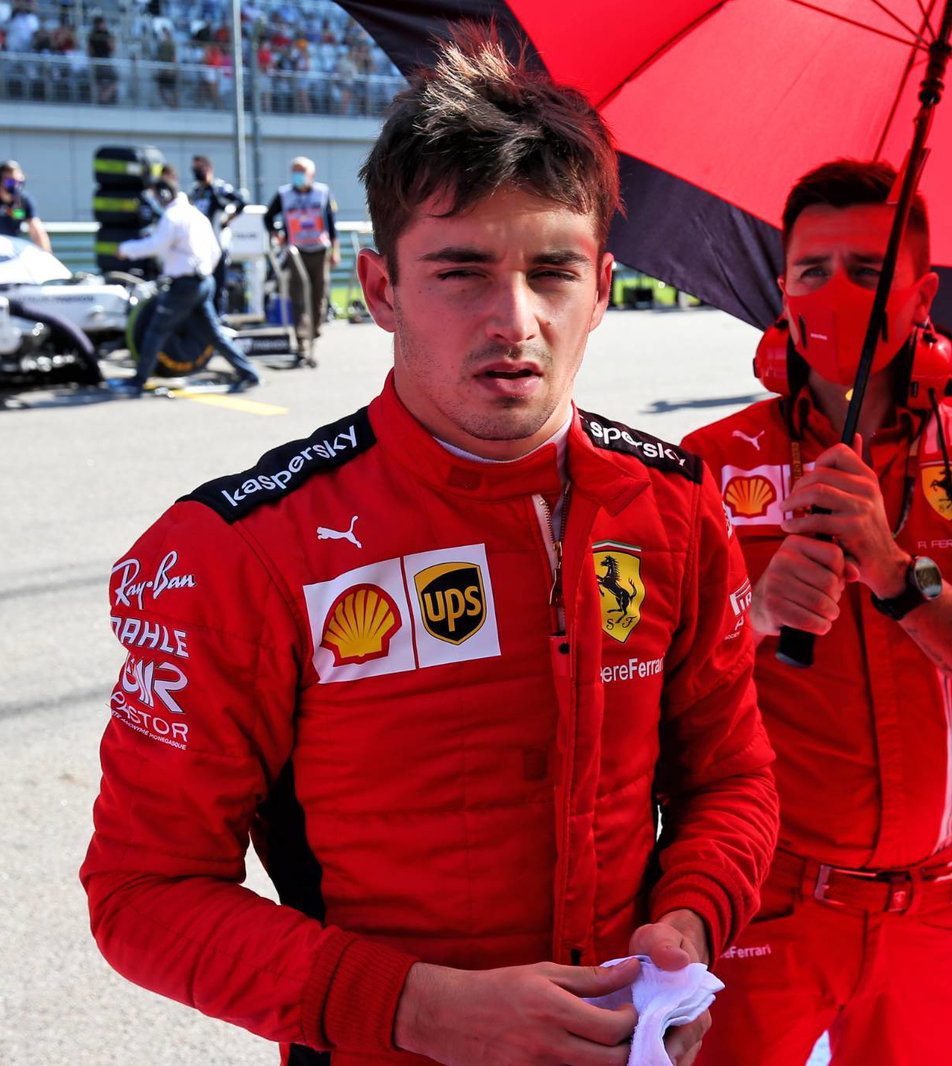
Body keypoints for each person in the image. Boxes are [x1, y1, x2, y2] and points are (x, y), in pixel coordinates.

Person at [80, 29, 778, 1066]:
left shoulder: (675, 507)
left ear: (603, 287)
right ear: (380, 288)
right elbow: (141, 891)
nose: (514, 318)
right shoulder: (243, 548)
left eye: (553, 271)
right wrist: (407, 1006)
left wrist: (689, 928)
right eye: (461, 271)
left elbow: (732, 781)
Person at [682, 159, 952, 1066]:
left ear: (921, 293)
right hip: (765, 898)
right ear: (782, 289)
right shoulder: (702, 463)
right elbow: (640, 690)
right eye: (812, 271)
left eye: (868, 271)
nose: (836, 293)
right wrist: (755, 610)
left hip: (937, 901)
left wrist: (898, 576)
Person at [106, 169, 262, 395]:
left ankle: (139, 380)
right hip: (203, 281)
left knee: (156, 329)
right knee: (213, 334)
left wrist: (125, 249)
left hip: (186, 284)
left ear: (164, 195)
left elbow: (155, 245)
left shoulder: (173, 216)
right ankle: (249, 373)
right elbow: (215, 250)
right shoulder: (196, 215)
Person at [263, 154, 339, 354]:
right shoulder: (284, 194)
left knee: (318, 293)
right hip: (296, 251)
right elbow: (268, 217)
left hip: (319, 249)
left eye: (301, 171)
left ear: (311, 174)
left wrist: (335, 250)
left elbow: (331, 225)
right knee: (298, 295)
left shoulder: (322, 192)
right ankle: (301, 339)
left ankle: (314, 330)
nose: (298, 175)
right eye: (295, 171)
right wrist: (276, 234)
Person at [188, 153, 246, 315]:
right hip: (198, 245)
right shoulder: (195, 191)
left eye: (199, 168)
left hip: (218, 243)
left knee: (218, 283)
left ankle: (220, 316)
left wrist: (228, 219)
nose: (196, 171)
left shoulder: (219, 188)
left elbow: (241, 202)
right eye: (194, 168)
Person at [0, 159, 50, 251]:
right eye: (10, 182)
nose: (15, 185)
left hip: (11, 247)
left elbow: (36, 228)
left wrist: (46, 254)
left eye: (18, 182)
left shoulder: (24, 200)